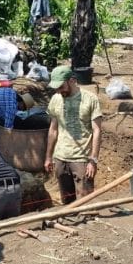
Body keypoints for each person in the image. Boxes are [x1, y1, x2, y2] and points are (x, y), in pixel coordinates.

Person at [44, 66, 102, 205]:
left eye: (61, 86)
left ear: (72, 80)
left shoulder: (90, 99)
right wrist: (48, 157)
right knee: (67, 202)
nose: (59, 91)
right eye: (56, 88)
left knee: (85, 203)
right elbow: (53, 130)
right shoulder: (56, 99)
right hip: (60, 158)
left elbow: (97, 131)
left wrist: (93, 160)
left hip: (82, 159)